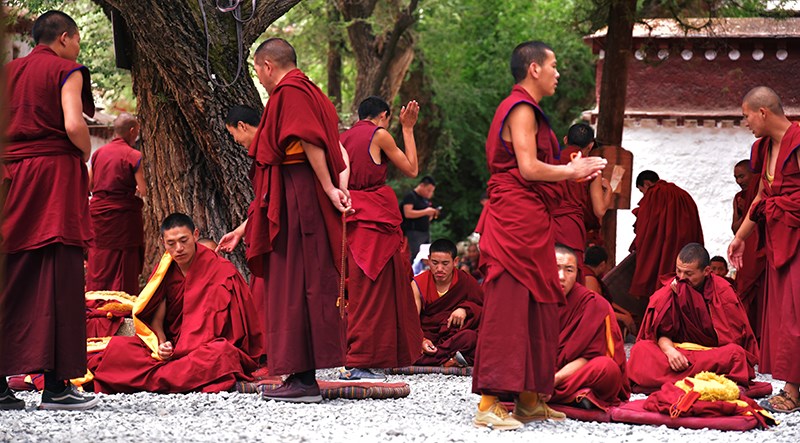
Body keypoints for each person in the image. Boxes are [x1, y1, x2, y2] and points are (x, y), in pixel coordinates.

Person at [471, 40, 606, 430]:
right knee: (509, 304)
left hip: (532, 218)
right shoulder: (521, 109)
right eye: (554, 65)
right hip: (515, 218)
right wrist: (571, 172)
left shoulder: (531, 111)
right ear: (534, 69)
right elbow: (528, 168)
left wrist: (570, 169)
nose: (558, 73)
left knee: (539, 304)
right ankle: (489, 402)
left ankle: (529, 398)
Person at [218, 38, 351, 403]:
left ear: (267, 66)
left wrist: (327, 187)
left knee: (294, 284)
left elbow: (309, 141)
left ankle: (303, 379)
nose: (260, 81)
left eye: (258, 72)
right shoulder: (312, 91)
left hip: (298, 196)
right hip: (296, 194)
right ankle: (300, 375)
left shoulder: (289, 92)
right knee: (300, 284)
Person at [1, 10, 98, 410]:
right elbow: (74, 124)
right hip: (53, 178)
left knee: (12, 275)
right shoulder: (67, 70)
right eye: (76, 40)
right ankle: (56, 387)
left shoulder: (8, 72)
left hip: (12, 176)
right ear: (64, 38)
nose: (77, 48)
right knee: (59, 275)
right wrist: (86, 153)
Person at [90, 214, 264, 393]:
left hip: (205, 349)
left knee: (221, 354)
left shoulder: (222, 272)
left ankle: (157, 379)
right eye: (171, 243)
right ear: (162, 242)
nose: (179, 249)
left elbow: (237, 335)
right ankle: (182, 378)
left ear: (195, 235)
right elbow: (157, 320)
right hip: (174, 348)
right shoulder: (165, 271)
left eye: (184, 240)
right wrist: (162, 344)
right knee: (119, 349)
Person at [339, 96, 424, 379]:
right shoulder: (380, 135)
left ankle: (369, 356)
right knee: (375, 293)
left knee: (360, 291)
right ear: (384, 116)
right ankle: (361, 361)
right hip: (374, 218)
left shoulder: (343, 138)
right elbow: (412, 169)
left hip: (350, 217)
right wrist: (409, 129)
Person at [729, 86, 800, 413]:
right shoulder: (762, 148)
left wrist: (781, 207)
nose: (745, 123)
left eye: (746, 115)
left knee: (797, 314)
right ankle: (791, 385)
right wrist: (741, 237)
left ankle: (791, 391)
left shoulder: (798, 142)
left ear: (763, 112)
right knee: (786, 315)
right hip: (781, 239)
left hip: (797, 238)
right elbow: (761, 196)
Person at [627, 243, 758, 394]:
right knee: (640, 350)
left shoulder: (722, 292)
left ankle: (671, 381)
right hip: (678, 353)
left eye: (688, 274)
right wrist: (670, 351)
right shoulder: (669, 291)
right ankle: (706, 381)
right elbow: (661, 333)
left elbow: (732, 339)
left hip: (709, 355)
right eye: (678, 271)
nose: (681, 278)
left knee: (736, 354)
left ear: (706, 271)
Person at [551, 245, 629, 410]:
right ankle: (574, 396)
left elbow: (589, 357)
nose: (561, 277)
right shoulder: (533, 297)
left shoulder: (591, 303)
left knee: (607, 369)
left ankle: (543, 393)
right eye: (556, 268)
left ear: (578, 274)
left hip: (572, 374)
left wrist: (555, 379)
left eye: (569, 270)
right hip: (540, 372)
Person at [220, 104, 268, 358]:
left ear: (242, 126)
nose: (236, 141)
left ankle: (272, 351)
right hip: (265, 225)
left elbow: (270, 201)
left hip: (276, 231)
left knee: (268, 290)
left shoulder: (270, 150)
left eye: (234, 135)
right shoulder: (263, 150)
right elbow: (263, 201)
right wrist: (240, 231)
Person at [86, 113, 146, 295]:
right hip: (124, 218)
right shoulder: (134, 155)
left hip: (99, 216)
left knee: (99, 259)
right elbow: (143, 189)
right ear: (132, 130)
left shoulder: (98, 154)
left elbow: (89, 185)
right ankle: (122, 307)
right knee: (125, 263)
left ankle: (97, 302)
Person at [629, 170, 704, 299]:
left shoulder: (654, 194)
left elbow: (646, 229)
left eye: (642, 191)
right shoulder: (683, 195)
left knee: (662, 288)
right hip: (686, 249)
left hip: (663, 248)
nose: (643, 196)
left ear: (646, 184)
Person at [412, 239, 483, 367]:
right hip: (427, 339)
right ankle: (448, 359)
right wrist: (421, 340)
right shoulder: (418, 284)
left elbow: (483, 310)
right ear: (428, 260)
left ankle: (436, 358)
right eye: (434, 263)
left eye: (445, 263)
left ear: (455, 262)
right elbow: (410, 321)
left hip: (454, 338)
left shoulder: (466, 281)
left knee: (470, 337)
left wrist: (465, 309)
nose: (439, 269)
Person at [553, 123, 612, 273]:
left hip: (546, 225)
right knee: (570, 272)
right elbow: (599, 211)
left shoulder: (549, 160)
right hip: (572, 227)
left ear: (565, 140)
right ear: (590, 145)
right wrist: (609, 190)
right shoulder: (591, 168)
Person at [730, 159, 766, 343]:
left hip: (763, 248)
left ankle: (763, 336)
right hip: (747, 249)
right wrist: (744, 214)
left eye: (741, 176)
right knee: (744, 291)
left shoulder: (765, 191)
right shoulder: (739, 198)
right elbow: (735, 228)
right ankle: (748, 336)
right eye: (735, 177)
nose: (738, 181)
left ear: (753, 174)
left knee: (763, 293)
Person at [583, 246, 637, 339]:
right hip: (593, 328)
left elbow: (606, 302)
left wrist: (626, 313)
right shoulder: (589, 278)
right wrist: (622, 317)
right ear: (603, 264)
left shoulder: (589, 274)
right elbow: (594, 310)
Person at [401, 176, 439, 261]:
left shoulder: (424, 200)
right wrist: (425, 212)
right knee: (414, 255)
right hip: (413, 232)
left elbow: (422, 215)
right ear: (422, 185)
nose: (429, 193)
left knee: (426, 255)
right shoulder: (410, 196)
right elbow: (408, 213)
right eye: (428, 190)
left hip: (424, 232)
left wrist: (430, 215)